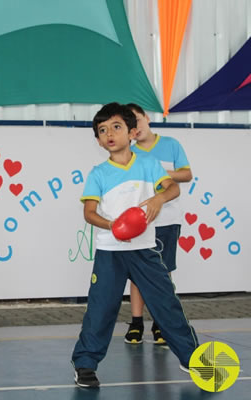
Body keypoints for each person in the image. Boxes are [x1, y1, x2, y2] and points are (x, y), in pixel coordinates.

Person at [71, 103, 198, 388]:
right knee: (101, 310)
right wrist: (113, 227)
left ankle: (192, 358)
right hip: (110, 253)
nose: (109, 134)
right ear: (98, 140)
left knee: (167, 304)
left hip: (144, 250)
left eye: (116, 127)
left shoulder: (149, 165)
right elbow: (89, 213)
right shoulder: (98, 173)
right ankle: (85, 364)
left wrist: (157, 199)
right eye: (102, 131)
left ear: (132, 132)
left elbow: (173, 187)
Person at [124, 103, 193, 345]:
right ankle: (135, 323)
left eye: (137, 121)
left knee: (163, 274)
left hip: (167, 220)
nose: (135, 128)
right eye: (129, 126)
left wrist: (160, 172)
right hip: (140, 223)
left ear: (147, 118)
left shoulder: (171, 145)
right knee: (137, 275)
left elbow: (186, 174)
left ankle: (160, 324)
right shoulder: (129, 153)